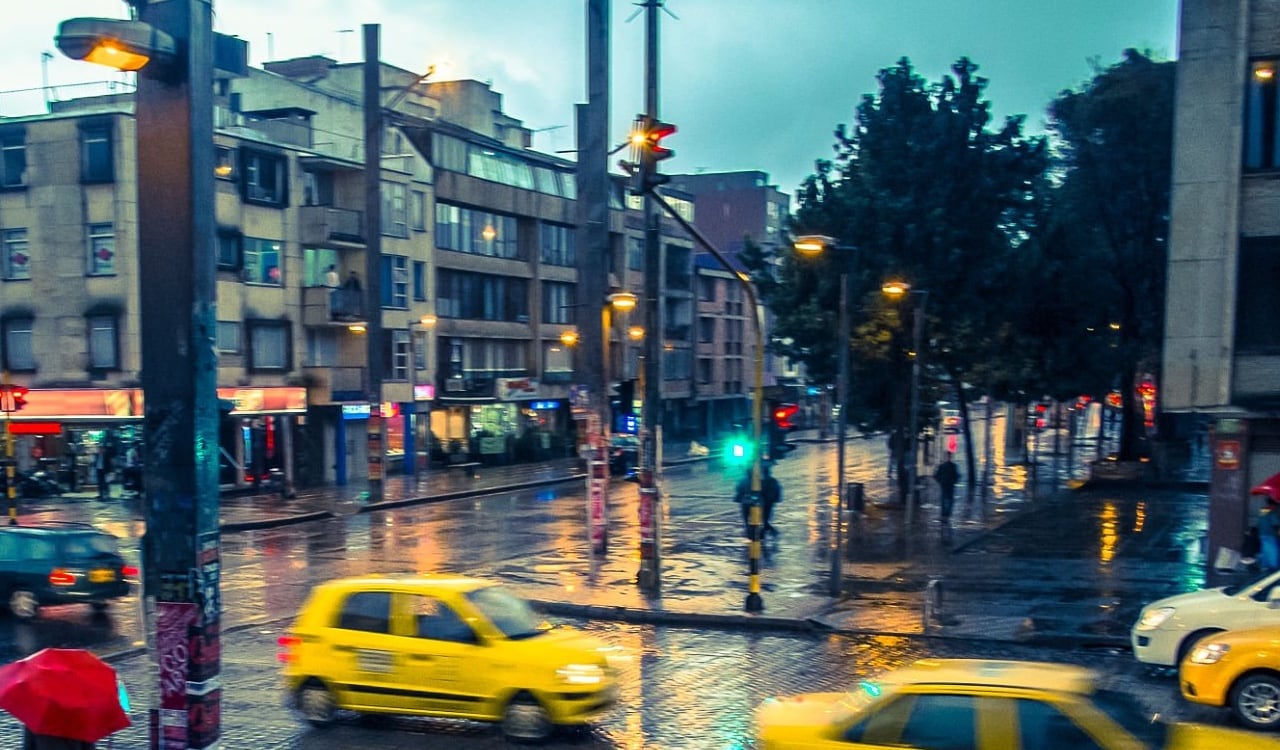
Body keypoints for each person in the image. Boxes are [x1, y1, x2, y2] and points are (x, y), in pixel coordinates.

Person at [734, 463, 782, 538]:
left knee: (751, 520)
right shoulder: (769, 480)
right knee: (764, 519)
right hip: (760, 503)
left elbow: (739, 491)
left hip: (751, 502)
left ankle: (756, 532)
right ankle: (763, 531)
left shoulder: (744, 480)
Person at [933, 452, 960, 522]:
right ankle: (945, 515)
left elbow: (957, 476)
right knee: (946, 499)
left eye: (949, 456)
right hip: (946, 485)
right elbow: (936, 476)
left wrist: (940, 481)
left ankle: (945, 515)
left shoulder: (950, 466)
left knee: (946, 499)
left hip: (947, 485)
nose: (948, 458)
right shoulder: (948, 466)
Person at [1258, 492, 1280, 572]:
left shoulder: (1263, 510)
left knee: (1265, 552)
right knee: (1273, 553)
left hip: (1263, 534)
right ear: (1273, 505)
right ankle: (1273, 570)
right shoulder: (1272, 512)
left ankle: (1265, 568)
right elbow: (1275, 524)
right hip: (1271, 535)